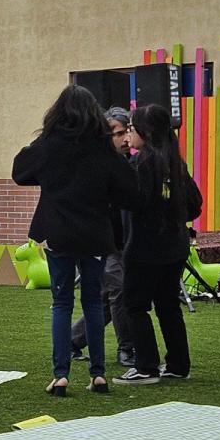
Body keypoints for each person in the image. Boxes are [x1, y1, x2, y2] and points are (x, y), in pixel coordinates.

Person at [12, 85, 136, 396]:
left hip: (58, 232)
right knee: (94, 301)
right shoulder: (103, 149)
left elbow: (20, 170)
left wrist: (44, 142)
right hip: (95, 233)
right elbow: (128, 190)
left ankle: (61, 374)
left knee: (61, 302)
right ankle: (98, 373)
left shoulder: (51, 144)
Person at [113, 104, 202, 385]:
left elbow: (130, 203)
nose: (128, 136)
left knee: (135, 306)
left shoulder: (141, 164)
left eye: (130, 129)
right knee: (168, 306)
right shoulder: (176, 162)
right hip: (174, 247)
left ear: (144, 132)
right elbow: (195, 206)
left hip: (144, 248)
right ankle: (178, 364)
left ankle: (146, 367)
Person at [71, 107, 136, 368]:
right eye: (117, 133)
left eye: (126, 132)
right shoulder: (95, 164)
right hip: (101, 241)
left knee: (108, 298)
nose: (123, 138)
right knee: (118, 290)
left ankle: (72, 340)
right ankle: (127, 349)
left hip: (122, 242)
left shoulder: (131, 164)